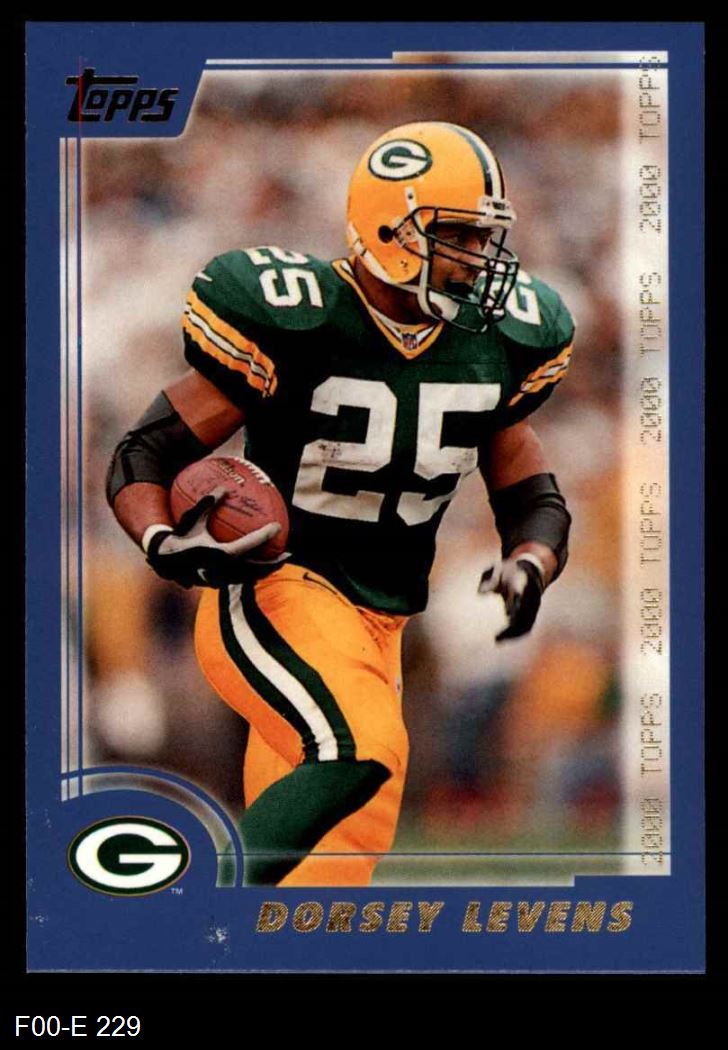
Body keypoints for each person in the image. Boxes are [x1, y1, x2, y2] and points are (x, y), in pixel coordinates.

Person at [107, 121, 573, 887]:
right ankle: (187, 920)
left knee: (336, 864)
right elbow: (144, 452)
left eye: (484, 237)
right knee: (359, 748)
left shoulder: (497, 340)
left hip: (384, 618)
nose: (478, 257)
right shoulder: (304, 317)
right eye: (457, 235)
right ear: (390, 228)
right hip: (280, 588)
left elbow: (530, 488)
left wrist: (530, 561)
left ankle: (254, 939)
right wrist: (162, 538)